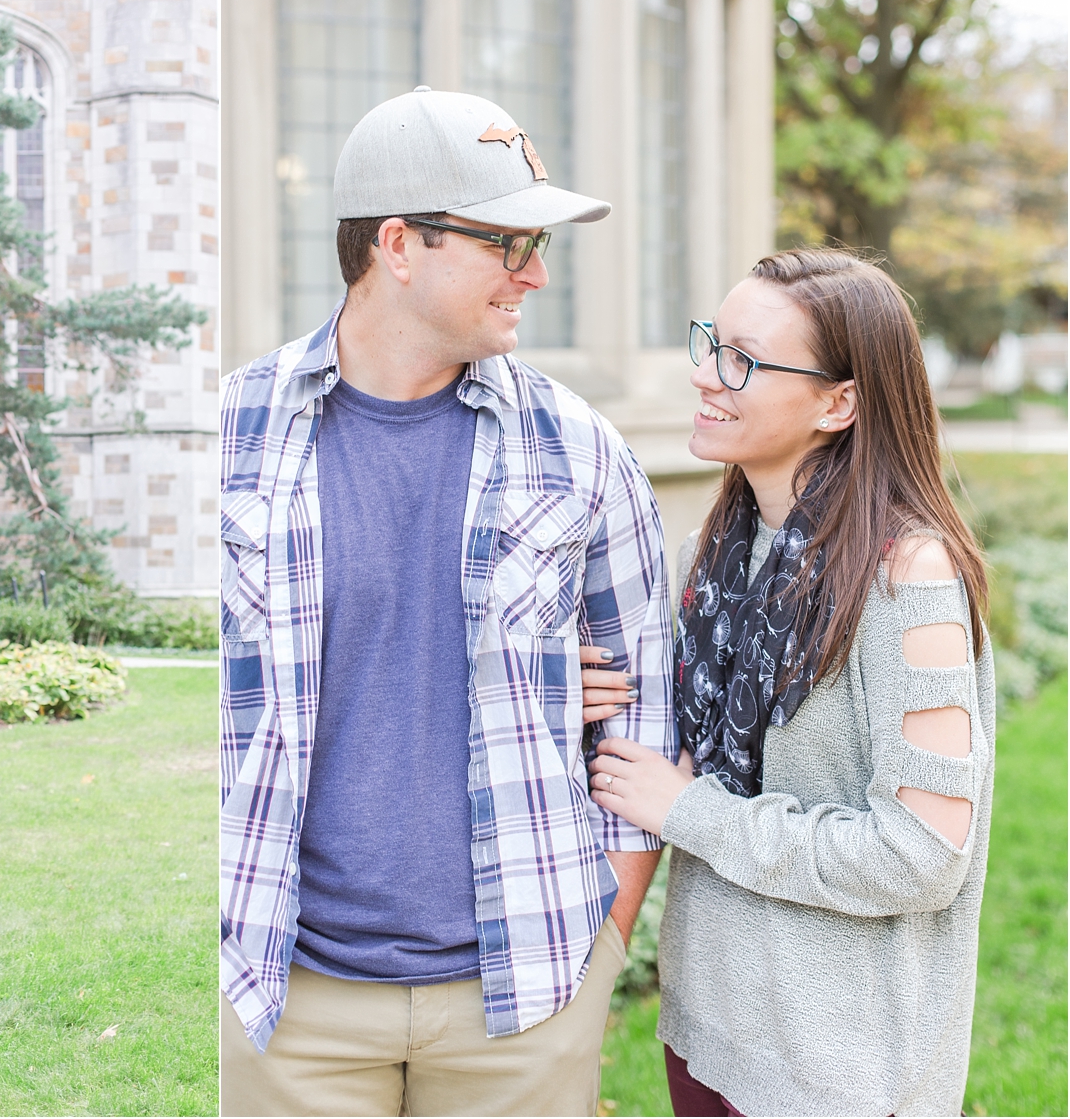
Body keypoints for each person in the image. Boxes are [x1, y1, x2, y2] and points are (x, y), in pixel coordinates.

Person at [219, 86, 678, 1117]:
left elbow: (648, 701)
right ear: (396, 243)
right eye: (508, 242)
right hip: (283, 995)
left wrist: (605, 932)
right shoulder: (225, 437)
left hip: (524, 993)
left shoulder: (581, 449)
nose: (537, 273)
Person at [582, 249, 995, 1116]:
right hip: (709, 1032)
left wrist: (691, 812)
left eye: (744, 360)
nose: (706, 376)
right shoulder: (720, 553)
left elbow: (921, 857)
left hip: (836, 1071)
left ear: (839, 402)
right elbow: (676, 732)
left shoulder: (907, 576)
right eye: (710, 343)